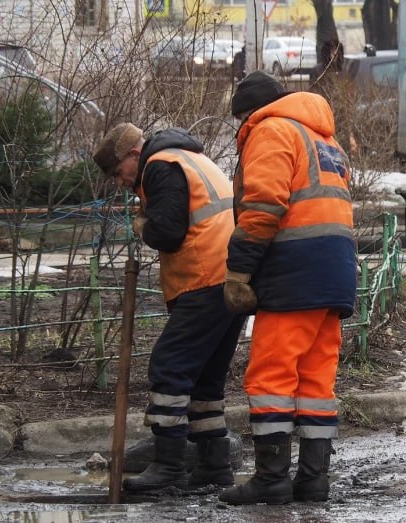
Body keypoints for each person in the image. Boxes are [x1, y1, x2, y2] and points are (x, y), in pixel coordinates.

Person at [217, 71, 356, 505]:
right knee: (316, 381)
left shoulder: (270, 130)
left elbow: (263, 207)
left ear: (247, 114)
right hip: (334, 271)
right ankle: (313, 479)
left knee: (272, 375)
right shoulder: (323, 139)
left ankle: (271, 478)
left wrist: (239, 271)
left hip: (294, 270)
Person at [92, 123, 247, 492]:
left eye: (118, 172)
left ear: (133, 154)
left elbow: (168, 232)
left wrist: (142, 225)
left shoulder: (159, 166)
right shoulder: (189, 158)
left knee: (170, 367)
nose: (120, 182)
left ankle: (168, 466)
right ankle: (214, 464)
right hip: (231, 277)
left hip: (204, 278)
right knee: (205, 380)